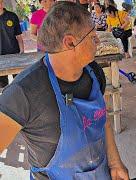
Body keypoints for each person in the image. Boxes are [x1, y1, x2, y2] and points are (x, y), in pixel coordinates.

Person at [0, 2, 129, 180]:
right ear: (70, 42)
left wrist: (115, 163)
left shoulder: (94, 73)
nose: (98, 41)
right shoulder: (23, 93)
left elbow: (103, 120)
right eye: (92, 36)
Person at [0, 0, 24, 87]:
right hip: (0, 57)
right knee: (2, 85)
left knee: (19, 83)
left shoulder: (12, 16)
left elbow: (19, 36)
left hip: (14, 54)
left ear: (2, 2)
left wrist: (22, 51)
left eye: (0, 2)